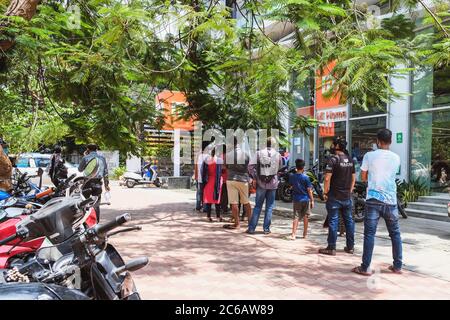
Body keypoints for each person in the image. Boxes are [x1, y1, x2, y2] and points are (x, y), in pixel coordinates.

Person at [352, 129, 403, 276]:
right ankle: (397, 266)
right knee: (395, 234)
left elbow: (363, 175)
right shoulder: (396, 157)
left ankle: (365, 267)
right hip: (391, 201)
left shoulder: (369, 155)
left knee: (369, 234)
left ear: (378, 141)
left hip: (373, 200)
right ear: (390, 141)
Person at [319, 136, 355, 256]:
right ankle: (350, 247)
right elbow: (353, 178)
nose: (332, 146)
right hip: (346, 196)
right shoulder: (350, 160)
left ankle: (331, 247)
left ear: (337, 146)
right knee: (349, 221)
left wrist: (325, 192)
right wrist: (349, 191)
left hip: (334, 196)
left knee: (333, 221)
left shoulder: (333, 159)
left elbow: (327, 178)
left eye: (334, 144)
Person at [247, 137, 283, 235]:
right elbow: (280, 168)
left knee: (258, 206)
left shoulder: (258, 153)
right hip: (273, 183)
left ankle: (251, 229)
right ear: (274, 145)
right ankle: (266, 229)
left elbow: (250, 167)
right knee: (270, 207)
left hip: (261, 183)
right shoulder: (278, 155)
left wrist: (255, 177)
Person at [223, 138, 251, 229]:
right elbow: (248, 167)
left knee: (234, 202)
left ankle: (237, 224)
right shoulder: (246, 154)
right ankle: (250, 222)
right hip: (243, 180)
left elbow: (225, 166)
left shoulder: (228, 155)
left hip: (231, 179)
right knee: (246, 202)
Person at [78, 144, 110, 222]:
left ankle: (85, 222)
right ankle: (96, 223)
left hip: (87, 183)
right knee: (96, 204)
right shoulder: (102, 158)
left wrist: (85, 157)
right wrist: (106, 185)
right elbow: (105, 173)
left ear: (88, 149)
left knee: (85, 203)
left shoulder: (86, 157)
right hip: (98, 183)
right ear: (96, 149)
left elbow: (80, 169)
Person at [289, 159, 314, 240]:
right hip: (305, 199)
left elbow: (291, 186)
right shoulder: (306, 178)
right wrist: (312, 200)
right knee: (306, 217)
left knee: (296, 217)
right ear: (303, 168)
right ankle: (305, 234)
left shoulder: (292, 177)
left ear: (296, 167)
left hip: (296, 199)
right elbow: (309, 190)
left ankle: (293, 234)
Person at [201, 147, 224, 222]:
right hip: (217, 181)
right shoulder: (219, 161)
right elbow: (223, 170)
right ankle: (218, 217)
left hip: (209, 181)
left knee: (209, 199)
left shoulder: (207, 160)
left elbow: (203, 171)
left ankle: (208, 216)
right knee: (217, 199)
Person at [194, 142, 209, 212]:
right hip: (206, 178)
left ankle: (198, 206)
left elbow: (196, 166)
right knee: (205, 192)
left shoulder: (198, 155)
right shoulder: (208, 156)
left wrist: (196, 176)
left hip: (199, 177)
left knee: (199, 192)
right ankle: (205, 207)